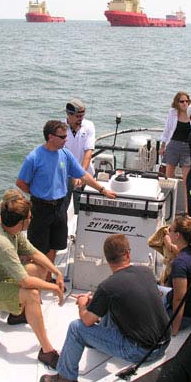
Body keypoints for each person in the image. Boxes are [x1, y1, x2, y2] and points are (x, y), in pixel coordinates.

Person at [40, 234, 170, 382]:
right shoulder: (146, 272)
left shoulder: (108, 287)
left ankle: (66, 379)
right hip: (163, 344)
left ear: (107, 259)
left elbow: (87, 321)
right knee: (108, 304)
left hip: (141, 351)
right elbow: (128, 295)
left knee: (76, 328)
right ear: (128, 254)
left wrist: (82, 305)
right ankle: (100, 343)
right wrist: (96, 300)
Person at [0, 190, 65, 368]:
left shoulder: (13, 232)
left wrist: (56, 272)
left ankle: (18, 314)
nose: (32, 218)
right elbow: (25, 282)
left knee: (40, 268)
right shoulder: (1, 243)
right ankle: (47, 351)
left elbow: (33, 252)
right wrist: (54, 288)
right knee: (31, 294)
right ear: (22, 222)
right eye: (30, 216)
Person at [16, 120, 117, 281]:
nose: (66, 139)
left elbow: (83, 175)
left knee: (54, 245)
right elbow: (21, 182)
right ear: (50, 137)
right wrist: (37, 194)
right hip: (40, 208)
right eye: (62, 137)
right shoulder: (34, 158)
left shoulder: (65, 154)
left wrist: (102, 190)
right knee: (37, 248)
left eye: (66, 136)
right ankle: (33, 279)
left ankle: (47, 277)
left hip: (60, 206)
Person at [162, 216, 191, 336]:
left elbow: (179, 299)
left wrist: (174, 329)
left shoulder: (180, 263)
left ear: (177, 236)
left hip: (184, 318)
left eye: (170, 230)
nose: (167, 231)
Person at [160, 91, 191, 213]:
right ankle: (166, 208)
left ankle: (187, 210)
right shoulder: (172, 113)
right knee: (169, 178)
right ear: (177, 103)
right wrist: (163, 146)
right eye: (182, 101)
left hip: (187, 148)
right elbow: (167, 130)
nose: (185, 103)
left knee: (187, 181)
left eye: (186, 101)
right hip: (173, 145)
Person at [63, 98, 96, 211]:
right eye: (78, 116)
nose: (81, 119)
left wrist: (81, 174)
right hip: (66, 175)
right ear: (69, 114)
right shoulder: (60, 128)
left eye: (82, 115)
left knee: (84, 209)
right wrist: (73, 176)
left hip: (84, 172)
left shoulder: (89, 126)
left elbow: (88, 152)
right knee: (63, 207)